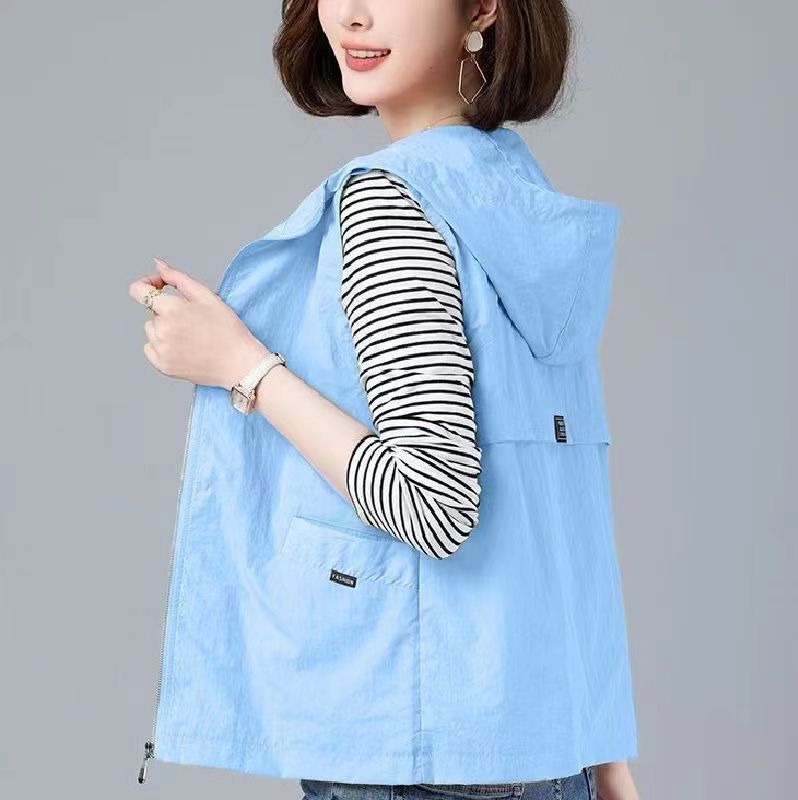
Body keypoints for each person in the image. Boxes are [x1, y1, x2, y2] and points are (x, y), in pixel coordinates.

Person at [129, 2, 640, 799]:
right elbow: (556, 512)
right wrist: (604, 755)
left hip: (419, 754)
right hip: (544, 748)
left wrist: (240, 366)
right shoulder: (513, 195)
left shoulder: (391, 203)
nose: (355, 16)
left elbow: (433, 505)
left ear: (480, 7)